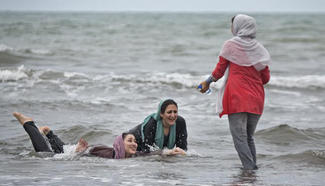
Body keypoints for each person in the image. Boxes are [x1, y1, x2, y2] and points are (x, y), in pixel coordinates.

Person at [198, 14, 271, 170]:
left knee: (239, 138)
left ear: (239, 27)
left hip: (237, 96)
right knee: (248, 137)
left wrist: (207, 82)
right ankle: (252, 170)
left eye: (233, 25)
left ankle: (249, 170)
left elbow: (219, 70)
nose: (231, 28)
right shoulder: (259, 50)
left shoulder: (230, 45)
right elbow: (265, 78)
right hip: (257, 98)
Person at [13, 112, 183, 159]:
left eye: (134, 141)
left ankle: (49, 133)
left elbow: (151, 153)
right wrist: (80, 151)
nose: (134, 144)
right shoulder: (110, 153)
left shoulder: (132, 155)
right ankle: (29, 124)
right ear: (120, 143)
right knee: (45, 155)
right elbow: (92, 150)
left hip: (76, 152)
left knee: (61, 149)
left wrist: (169, 151)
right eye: (130, 141)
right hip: (79, 154)